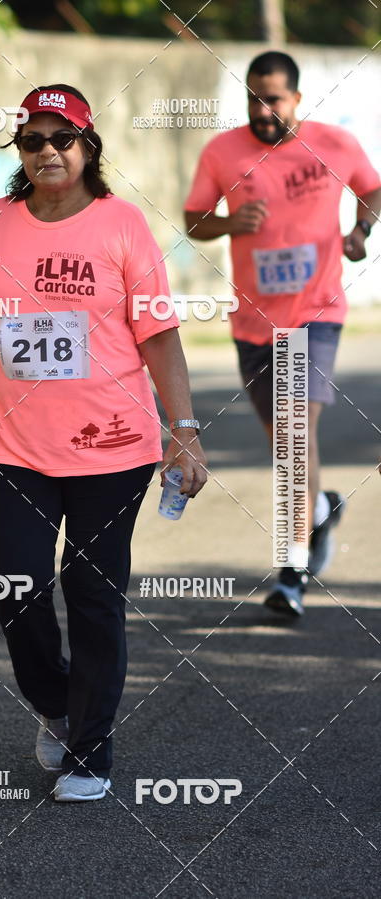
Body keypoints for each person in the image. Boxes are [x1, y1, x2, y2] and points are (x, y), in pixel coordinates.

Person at [0, 84, 207, 802]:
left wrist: (183, 433)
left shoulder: (122, 226)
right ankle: (57, 705)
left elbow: (159, 334)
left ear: (89, 148)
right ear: (19, 153)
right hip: (19, 448)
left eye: (64, 139)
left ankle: (90, 748)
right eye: (34, 141)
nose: (48, 151)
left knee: (93, 593)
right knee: (17, 588)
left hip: (115, 447)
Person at [184, 51, 381, 617]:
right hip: (253, 321)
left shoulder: (334, 144)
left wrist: (360, 229)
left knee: (296, 436)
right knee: (285, 441)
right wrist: (228, 223)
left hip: (316, 312)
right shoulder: (223, 151)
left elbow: (372, 189)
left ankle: (291, 569)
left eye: (273, 98)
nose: (262, 109)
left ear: (297, 98)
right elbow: (194, 216)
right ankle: (320, 506)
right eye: (253, 97)